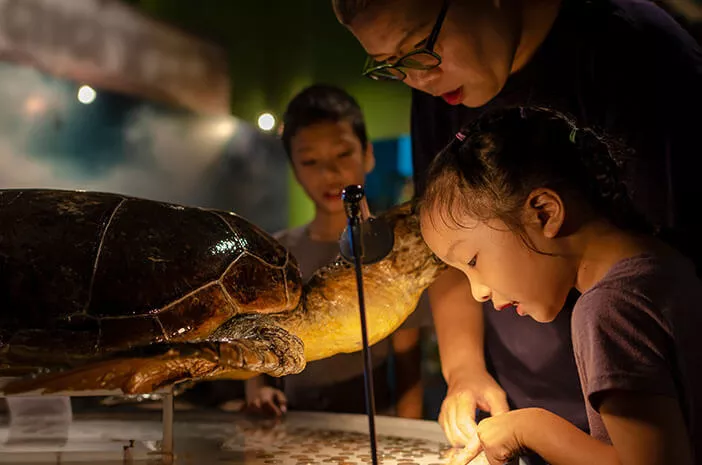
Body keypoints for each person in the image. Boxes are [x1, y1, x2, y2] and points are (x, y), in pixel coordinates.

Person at [331, 0, 702, 459]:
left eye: (420, 46)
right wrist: (464, 369)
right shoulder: (657, 272)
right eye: (390, 66)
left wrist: (532, 428)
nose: (419, 79)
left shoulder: (636, 54)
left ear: (546, 210)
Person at [418, 105, 702, 465]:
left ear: (544, 212)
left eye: (473, 261)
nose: (479, 292)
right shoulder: (667, 261)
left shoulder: (609, 308)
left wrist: (528, 428)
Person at [245, 84, 431, 419]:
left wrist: (410, 426)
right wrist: (260, 390)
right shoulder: (275, 253)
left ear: (368, 154)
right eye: (310, 160)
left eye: (343, 154)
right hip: (293, 426)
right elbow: (255, 347)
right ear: (295, 169)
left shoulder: (392, 249)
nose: (329, 173)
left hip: (373, 425)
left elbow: (408, 361)